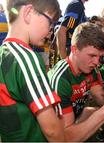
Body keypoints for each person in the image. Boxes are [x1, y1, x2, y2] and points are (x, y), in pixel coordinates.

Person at [48, 22, 104, 142]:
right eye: (92, 55)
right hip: (57, 136)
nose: (97, 62)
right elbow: (64, 138)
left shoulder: (90, 69)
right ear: (74, 49)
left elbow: (102, 98)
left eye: (99, 57)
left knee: (93, 111)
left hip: (74, 119)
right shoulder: (61, 79)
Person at [0, 0, 65, 142]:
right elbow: (52, 131)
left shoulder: (3, 54)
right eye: (50, 22)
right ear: (28, 13)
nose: (50, 32)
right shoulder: (26, 58)